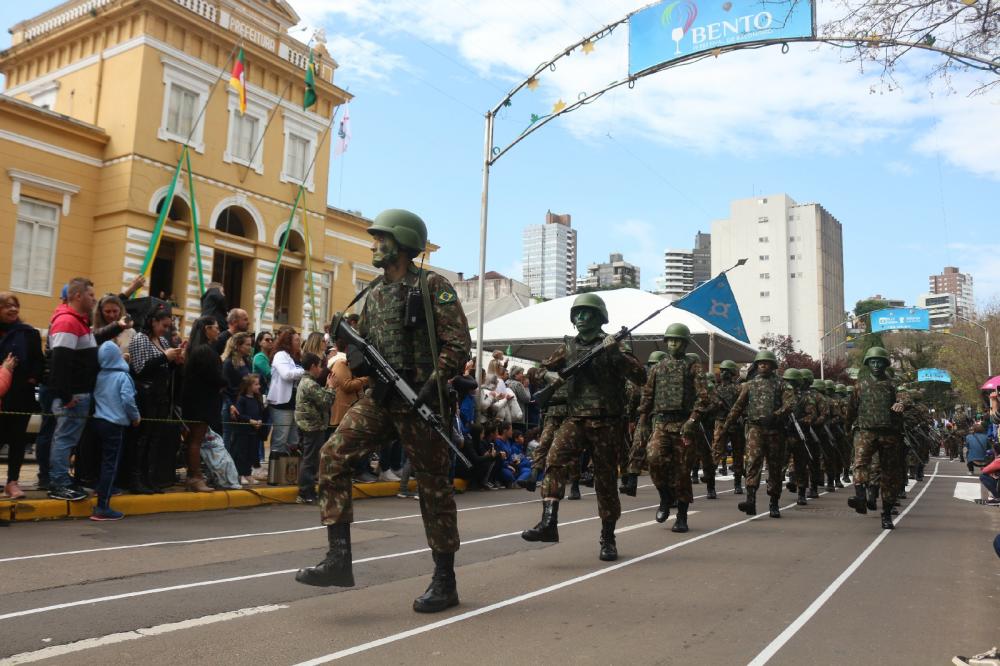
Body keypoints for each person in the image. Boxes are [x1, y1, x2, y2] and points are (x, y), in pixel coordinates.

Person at [297, 209, 471, 614]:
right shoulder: (372, 294)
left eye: (381, 239)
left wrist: (431, 385)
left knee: (433, 488)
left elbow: (457, 344)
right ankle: (338, 558)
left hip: (421, 400)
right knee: (332, 455)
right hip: (380, 397)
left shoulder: (433, 286)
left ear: (403, 243)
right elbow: (363, 355)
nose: (374, 245)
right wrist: (347, 343)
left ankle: (445, 580)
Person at [522, 293, 645, 561]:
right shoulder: (568, 347)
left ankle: (608, 537)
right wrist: (548, 374)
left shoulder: (614, 344)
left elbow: (640, 377)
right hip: (575, 419)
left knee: (605, 482)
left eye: (587, 313)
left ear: (599, 317)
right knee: (553, 463)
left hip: (607, 423)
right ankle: (548, 522)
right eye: (577, 313)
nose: (580, 318)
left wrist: (615, 354)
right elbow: (535, 371)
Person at [623, 324, 710, 532]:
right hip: (661, 423)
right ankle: (664, 497)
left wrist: (693, 420)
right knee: (653, 459)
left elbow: (703, 397)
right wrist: (640, 417)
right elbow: (648, 395)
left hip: (684, 424)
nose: (673, 344)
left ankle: (681, 516)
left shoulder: (693, 367)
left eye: (677, 340)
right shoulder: (657, 367)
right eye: (670, 340)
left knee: (682, 471)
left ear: (685, 343)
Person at [723, 350, 795, 518]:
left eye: (766, 362)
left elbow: (790, 403)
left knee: (774, 467)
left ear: (772, 365)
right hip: (755, 429)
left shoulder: (781, 384)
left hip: (775, 430)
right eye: (760, 362)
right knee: (753, 463)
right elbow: (738, 406)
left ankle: (774, 502)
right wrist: (727, 424)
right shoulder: (750, 384)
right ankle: (750, 501)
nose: (763, 364)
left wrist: (776, 415)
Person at [47, 277, 99, 501]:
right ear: (78, 295)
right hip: (74, 395)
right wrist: (66, 395)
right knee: (65, 439)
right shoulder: (68, 322)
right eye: (91, 295)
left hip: (78, 393)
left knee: (67, 439)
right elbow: (60, 362)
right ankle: (58, 484)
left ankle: (62, 481)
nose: (94, 299)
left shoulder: (78, 321)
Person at [844, 346, 905, 530]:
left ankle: (886, 514)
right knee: (860, 463)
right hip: (866, 431)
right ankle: (860, 496)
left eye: (880, 361)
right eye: (873, 361)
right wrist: (848, 429)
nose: (876, 364)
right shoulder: (860, 386)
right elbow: (851, 410)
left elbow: (904, 397)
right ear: (868, 364)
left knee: (889, 475)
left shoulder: (893, 385)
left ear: (886, 364)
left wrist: (901, 404)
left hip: (889, 434)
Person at [127, 303, 184, 494]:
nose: (166, 330)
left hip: (161, 396)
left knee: (155, 439)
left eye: (168, 327)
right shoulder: (140, 339)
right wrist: (164, 358)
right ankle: (135, 479)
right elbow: (140, 369)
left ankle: (149, 477)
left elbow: (166, 368)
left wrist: (176, 361)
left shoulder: (164, 342)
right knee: (143, 438)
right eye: (164, 325)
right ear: (153, 321)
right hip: (145, 396)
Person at [90, 341, 140, 521]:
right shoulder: (122, 377)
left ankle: (101, 488)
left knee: (102, 460)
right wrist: (135, 417)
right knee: (110, 464)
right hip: (114, 424)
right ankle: (103, 506)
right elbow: (127, 400)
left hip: (98, 421)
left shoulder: (100, 375)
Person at [0, 293, 43, 500]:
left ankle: (12, 482)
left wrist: (31, 380)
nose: (13, 309)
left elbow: (39, 363)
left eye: (15, 306)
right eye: (7, 306)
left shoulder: (29, 333)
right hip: (0, 395)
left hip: (20, 396)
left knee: (18, 441)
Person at [180, 316, 225, 493]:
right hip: (201, 404)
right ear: (206, 329)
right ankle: (195, 477)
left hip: (193, 402)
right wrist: (223, 383)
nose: (218, 331)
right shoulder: (205, 351)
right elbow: (217, 378)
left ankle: (194, 476)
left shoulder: (194, 349)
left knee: (193, 440)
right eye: (215, 327)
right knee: (195, 441)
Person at [295, 352, 335, 504]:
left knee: (310, 458)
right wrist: (331, 388)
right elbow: (326, 402)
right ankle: (306, 492)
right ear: (312, 366)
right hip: (312, 426)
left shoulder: (307, 382)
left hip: (309, 425)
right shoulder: (310, 384)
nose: (320, 369)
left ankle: (308, 491)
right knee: (310, 460)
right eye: (319, 366)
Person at [267, 327, 304, 458]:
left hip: (293, 403)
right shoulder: (280, 355)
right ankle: (275, 475)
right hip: (282, 403)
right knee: (280, 440)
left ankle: (289, 476)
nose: (299, 343)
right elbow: (286, 374)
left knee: (293, 441)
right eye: (296, 340)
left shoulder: (295, 356)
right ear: (288, 342)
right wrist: (305, 372)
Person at [712, 359, 746, 494]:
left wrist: (739, 415)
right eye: (722, 371)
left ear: (732, 373)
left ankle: (737, 483)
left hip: (736, 423)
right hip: (720, 422)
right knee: (716, 451)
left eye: (727, 371)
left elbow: (744, 405)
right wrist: (717, 405)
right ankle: (711, 485)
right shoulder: (716, 389)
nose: (724, 373)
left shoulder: (739, 388)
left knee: (738, 453)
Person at [232, 374, 268, 485]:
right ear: (248, 386)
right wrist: (250, 421)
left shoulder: (257, 399)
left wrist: (260, 421)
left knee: (250, 453)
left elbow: (260, 413)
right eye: (256, 384)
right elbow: (239, 415)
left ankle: (248, 474)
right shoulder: (242, 399)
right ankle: (241, 474)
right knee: (241, 453)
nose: (259, 386)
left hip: (253, 432)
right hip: (243, 432)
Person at [221, 332, 253, 451]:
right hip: (230, 404)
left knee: (239, 439)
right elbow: (224, 388)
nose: (250, 347)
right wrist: (230, 405)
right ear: (238, 346)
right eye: (247, 344)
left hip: (242, 403)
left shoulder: (247, 362)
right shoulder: (228, 363)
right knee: (228, 438)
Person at [252, 330, 275, 394]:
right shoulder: (259, 357)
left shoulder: (271, 356)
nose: (270, 341)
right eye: (267, 340)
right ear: (260, 342)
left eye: (272, 340)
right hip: (260, 392)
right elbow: (270, 374)